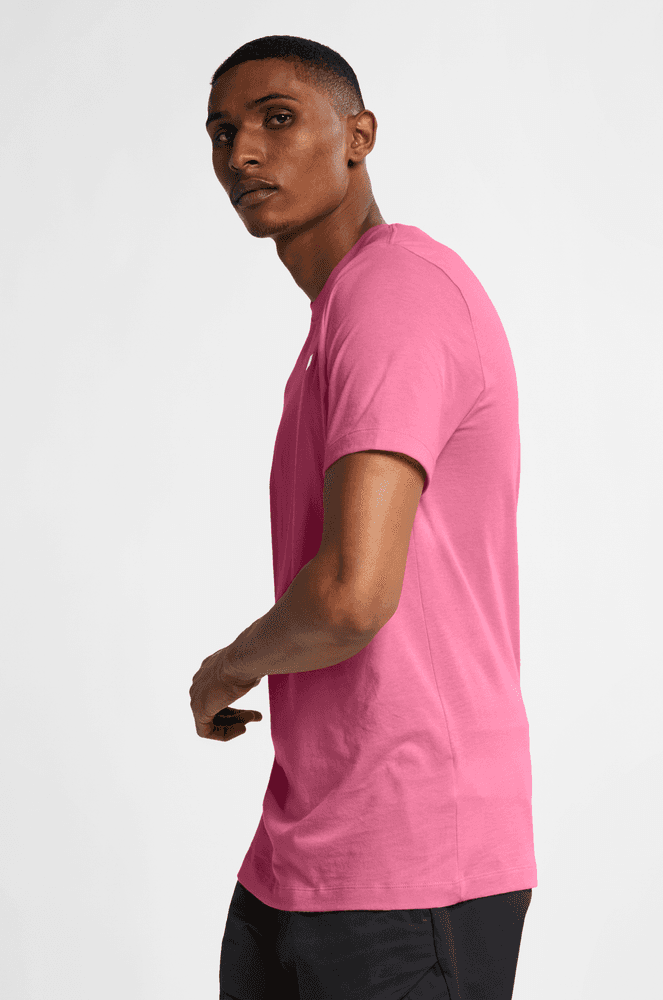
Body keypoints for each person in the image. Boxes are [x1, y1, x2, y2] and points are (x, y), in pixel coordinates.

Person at [195, 34, 537, 1000]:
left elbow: (352, 596)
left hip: (411, 863)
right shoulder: (343, 313)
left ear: (359, 136)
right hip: (306, 849)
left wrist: (226, 669)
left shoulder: (396, 292)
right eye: (221, 132)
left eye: (277, 119)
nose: (242, 152)